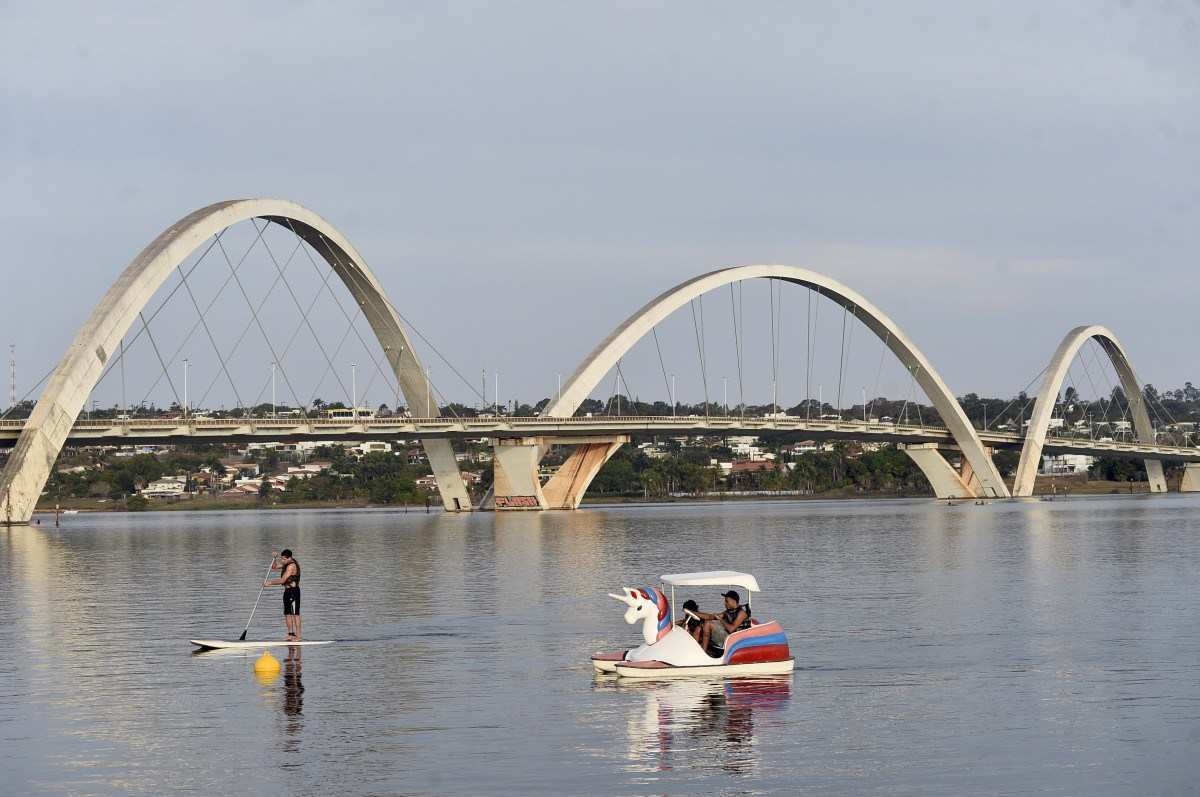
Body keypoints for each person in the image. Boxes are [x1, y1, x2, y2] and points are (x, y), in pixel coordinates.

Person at [696, 590, 751, 654]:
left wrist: (720, 619)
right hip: (730, 637)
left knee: (708, 624)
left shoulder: (742, 613)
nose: (725, 603)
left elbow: (731, 629)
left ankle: (703, 653)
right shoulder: (728, 612)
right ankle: (701, 650)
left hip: (736, 640)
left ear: (734, 601)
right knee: (701, 625)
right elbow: (710, 616)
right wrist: (694, 612)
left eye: (727, 601)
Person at [264, 549, 302, 641]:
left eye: (284, 559)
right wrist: (274, 558)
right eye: (282, 559)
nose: (283, 561)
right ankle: (290, 634)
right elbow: (274, 567)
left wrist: (270, 583)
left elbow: (283, 580)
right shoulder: (286, 563)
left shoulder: (291, 566)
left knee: (295, 614)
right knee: (287, 614)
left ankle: (298, 637)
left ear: (290, 558)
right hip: (287, 591)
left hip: (294, 591)